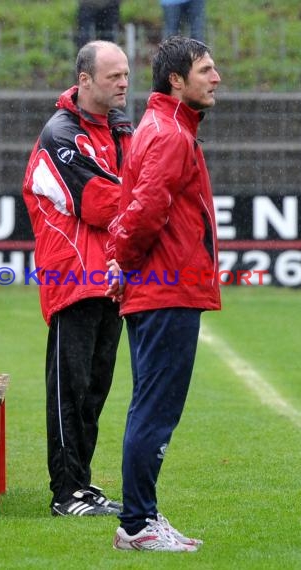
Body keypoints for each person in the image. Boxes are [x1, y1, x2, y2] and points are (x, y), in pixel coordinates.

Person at [106, 36, 221, 550]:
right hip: (168, 289)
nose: (216, 78)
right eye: (206, 70)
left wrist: (121, 265)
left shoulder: (158, 126)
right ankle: (137, 525)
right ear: (176, 80)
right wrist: (123, 263)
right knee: (155, 409)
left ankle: (142, 518)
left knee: (148, 406)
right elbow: (146, 211)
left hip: (160, 288)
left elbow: (134, 208)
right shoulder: (172, 133)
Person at [22, 40, 133, 517]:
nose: (124, 83)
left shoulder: (119, 129)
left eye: (126, 74)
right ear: (84, 80)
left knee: (94, 391)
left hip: (109, 277)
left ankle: (82, 486)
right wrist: (145, 201)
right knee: (69, 391)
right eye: (113, 76)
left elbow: (130, 194)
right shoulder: (60, 134)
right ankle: (65, 493)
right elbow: (103, 204)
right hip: (73, 276)